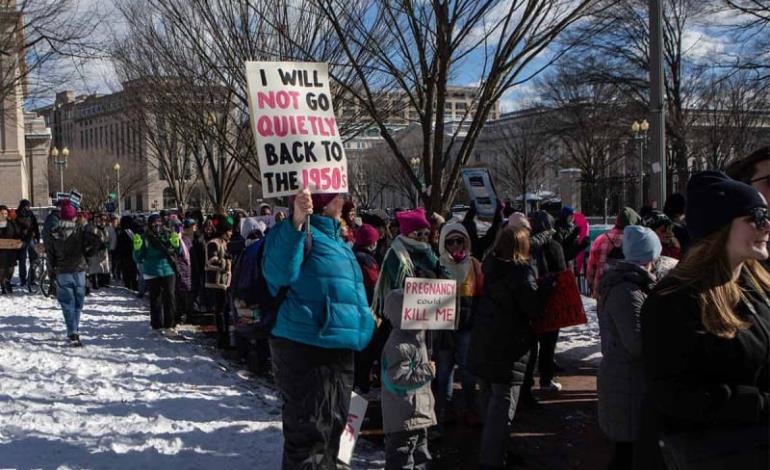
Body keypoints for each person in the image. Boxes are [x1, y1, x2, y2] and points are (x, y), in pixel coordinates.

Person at [638, 171, 770, 470]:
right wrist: (759, 404)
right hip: (712, 453)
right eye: (756, 217)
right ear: (720, 228)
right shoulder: (673, 300)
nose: (767, 226)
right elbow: (673, 394)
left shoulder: (755, 285)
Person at [262, 189, 375, 469]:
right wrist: (296, 222)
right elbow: (278, 273)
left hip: (340, 349)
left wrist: (366, 321)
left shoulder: (338, 240)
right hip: (307, 349)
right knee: (310, 440)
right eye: (338, 195)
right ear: (323, 202)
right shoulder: (294, 233)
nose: (345, 200)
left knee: (338, 439)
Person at [467, 226, 550, 469]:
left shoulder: (489, 267)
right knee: (501, 412)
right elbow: (533, 308)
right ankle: (492, 460)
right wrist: (546, 288)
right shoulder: (521, 273)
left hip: (484, 343)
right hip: (508, 350)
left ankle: (496, 454)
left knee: (489, 404)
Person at [597, 226, 661, 470]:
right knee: (627, 457)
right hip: (626, 382)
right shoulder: (628, 291)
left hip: (628, 381)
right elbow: (637, 343)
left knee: (629, 454)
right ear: (650, 255)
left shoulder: (634, 284)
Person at [434, 222, 483, 427]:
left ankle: (471, 410)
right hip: (443, 329)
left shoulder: (473, 264)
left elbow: (481, 293)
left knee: (468, 371)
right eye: (450, 241)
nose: (455, 245)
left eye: (459, 241)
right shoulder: (437, 264)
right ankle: (442, 414)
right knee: (444, 372)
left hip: (466, 328)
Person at [381, 289, 436, 470]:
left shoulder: (415, 338)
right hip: (403, 419)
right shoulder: (400, 344)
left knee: (420, 458)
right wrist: (426, 371)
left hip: (417, 415)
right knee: (402, 460)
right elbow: (397, 379)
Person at [522, 210, 567, 404]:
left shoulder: (524, 246)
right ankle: (546, 379)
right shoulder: (554, 245)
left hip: (530, 300)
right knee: (548, 345)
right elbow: (562, 271)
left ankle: (526, 384)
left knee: (530, 346)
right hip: (549, 299)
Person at [46, 200, 99, 346]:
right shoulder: (80, 231)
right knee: (78, 303)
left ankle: (72, 331)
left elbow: (50, 256)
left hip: (62, 272)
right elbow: (97, 242)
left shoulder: (53, 233)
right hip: (79, 271)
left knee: (67, 303)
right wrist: (88, 255)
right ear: (73, 216)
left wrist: (51, 274)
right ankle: (74, 329)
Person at [133, 214, 180, 331]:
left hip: (168, 270)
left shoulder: (168, 234)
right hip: (152, 271)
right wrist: (137, 249)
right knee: (155, 299)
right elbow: (138, 258)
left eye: (159, 222)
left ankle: (170, 324)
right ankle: (156, 325)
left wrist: (176, 244)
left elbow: (178, 252)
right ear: (149, 224)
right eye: (154, 223)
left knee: (170, 296)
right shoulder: (144, 238)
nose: (157, 225)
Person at [352, 223, 383, 394]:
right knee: (366, 352)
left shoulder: (353, 254)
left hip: (356, 309)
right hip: (367, 310)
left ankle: (360, 382)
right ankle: (362, 385)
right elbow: (374, 286)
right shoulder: (366, 261)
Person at [586, 207, 642, 297]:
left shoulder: (601, 239)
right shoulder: (637, 241)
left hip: (604, 293)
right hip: (632, 293)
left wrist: (593, 287)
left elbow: (591, 269)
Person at [205, 215, 234, 348]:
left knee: (226, 310)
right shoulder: (213, 243)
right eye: (229, 231)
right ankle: (222, 338)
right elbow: (211, 261)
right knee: (220, 311)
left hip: (225, 283)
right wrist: (226, 261)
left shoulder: (225, 243)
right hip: (216, 283)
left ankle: (226, 335)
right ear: (223, 231)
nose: (231, 233)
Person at [14, 199, 40, 286]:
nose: (29, 207)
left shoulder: (30, 214)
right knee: (23, 260)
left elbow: (35, 226)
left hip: (30, 239)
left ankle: (30, 278)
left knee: (32, 259)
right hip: (22, 240)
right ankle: (24, 279)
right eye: (28, 205)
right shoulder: (18, 214)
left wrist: (37, 236)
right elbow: (15, 227)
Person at [176, 218, 197, 324]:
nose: (195, 228)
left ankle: (187, 313)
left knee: (188, 294)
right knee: (185, 294)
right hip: (184, 271)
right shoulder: (184, 240)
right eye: (194, 226)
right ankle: (183, 315)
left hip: (189, 270)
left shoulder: (192, 239)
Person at [85, 213, 111, 290]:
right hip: (95, 251)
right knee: (95, 268)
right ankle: (95, 283)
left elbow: (108, 240)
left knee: (104, 268)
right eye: (101, 220)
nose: (102, 221)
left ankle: (104, 283)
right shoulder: (93, 229)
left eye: (104, 220)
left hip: (103, 251)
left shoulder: (106, 229)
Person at [0, 205, 20, 294]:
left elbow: (17, 232)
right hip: (0, 250)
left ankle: (7, 281)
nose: (4, 215)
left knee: (11, 268)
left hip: (11, 249)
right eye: (2, 213)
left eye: (5, 213)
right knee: (2, 268)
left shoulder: (11, 222)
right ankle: (3, 285)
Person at [115, 216, 138, 291]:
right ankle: (132, 286)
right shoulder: (131, 231)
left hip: (126, 255)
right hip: (129, 255)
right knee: (131, 272)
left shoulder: (123, 232)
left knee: (128, 273)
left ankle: (130, 286)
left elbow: (119, 246)